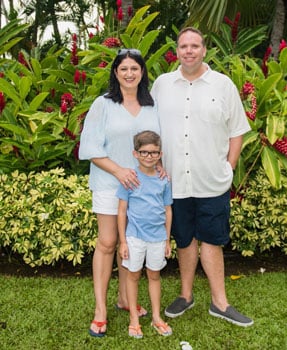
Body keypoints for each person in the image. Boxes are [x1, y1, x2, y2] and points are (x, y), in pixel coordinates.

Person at [151, 27, 254, 327]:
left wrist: (229, 167)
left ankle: (219, 302)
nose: (189, 51)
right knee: (184, 239)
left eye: (195, 45)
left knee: (212, 239)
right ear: (178, 50)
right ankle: (185, 295)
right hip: (175, 182)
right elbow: (150, 126)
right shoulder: (162, 85)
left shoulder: (222, 86)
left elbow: (237, 131)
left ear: (204, 50)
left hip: (212, 180)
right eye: (184, 46)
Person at [79, 48, 160, 337]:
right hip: (109, 183)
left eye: (134, 69)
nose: (129, 74)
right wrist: (118, 171)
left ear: (142, 72)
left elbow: (155, 143)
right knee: (108, 241)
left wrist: (159, 166)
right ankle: (100, 309)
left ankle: (126, 299)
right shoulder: (103, 104)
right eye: (123, 69)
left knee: (132, 242)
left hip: (141, 188)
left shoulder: (152, 105)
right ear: (116, 73)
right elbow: (88, 147)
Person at [117, 130, 173, 339]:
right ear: (135, 153)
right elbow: (122, 211)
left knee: (154, 275)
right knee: (133, 275)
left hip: (158, 237)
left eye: (154, 153)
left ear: (160, 154)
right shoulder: (130, 178)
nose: (149, 157)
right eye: (144, 152)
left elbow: (168, 210)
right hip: (134, 237)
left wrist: (167, 239)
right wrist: (123, 241)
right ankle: (134, 318)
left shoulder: (164, 180)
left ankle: (157, 317)